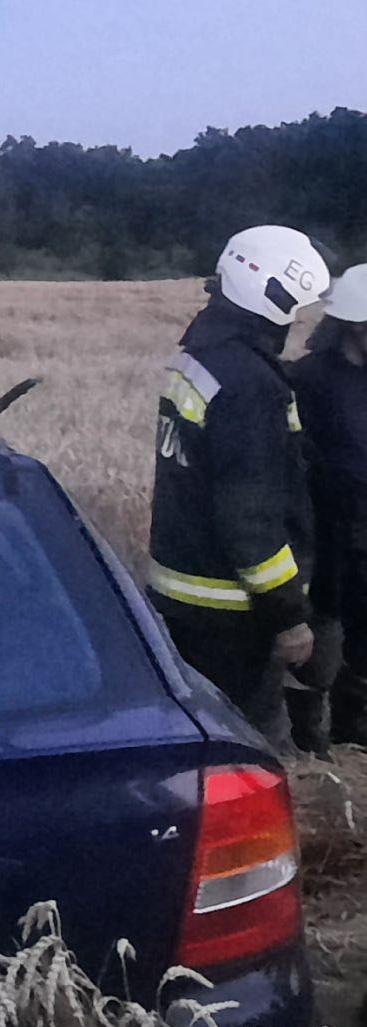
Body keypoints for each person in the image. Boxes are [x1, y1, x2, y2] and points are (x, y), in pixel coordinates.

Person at [147, 225, 331, 752]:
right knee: (245, 752)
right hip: (233, 613)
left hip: (180, 595)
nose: (299, 318)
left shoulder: (200, 354)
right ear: (272, 297)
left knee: (195, 740)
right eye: (296, 305)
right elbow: (249, 519)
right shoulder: (250, 385)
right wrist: (288, 616)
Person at [286, 264, 367, 751]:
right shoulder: (308, 380)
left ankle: (352, 735)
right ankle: (311, 748)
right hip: (326, 545)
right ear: (356, 324)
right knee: (319, 655)